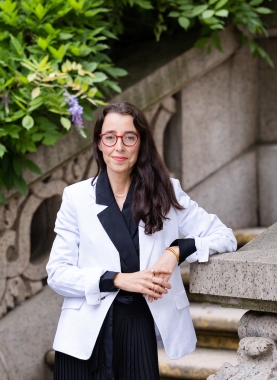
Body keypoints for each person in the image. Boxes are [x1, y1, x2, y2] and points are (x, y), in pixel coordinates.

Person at [46, 102, 237, 380]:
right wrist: (117, 279)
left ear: (141, 143)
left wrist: (176, 250)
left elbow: (225, 237)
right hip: (82, 335)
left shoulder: (167, 192)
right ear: (100, 143)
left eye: (129, 137)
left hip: (138, 327)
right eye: (110, 137)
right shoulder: (76, 197)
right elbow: (57, 273)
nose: (118, 147)